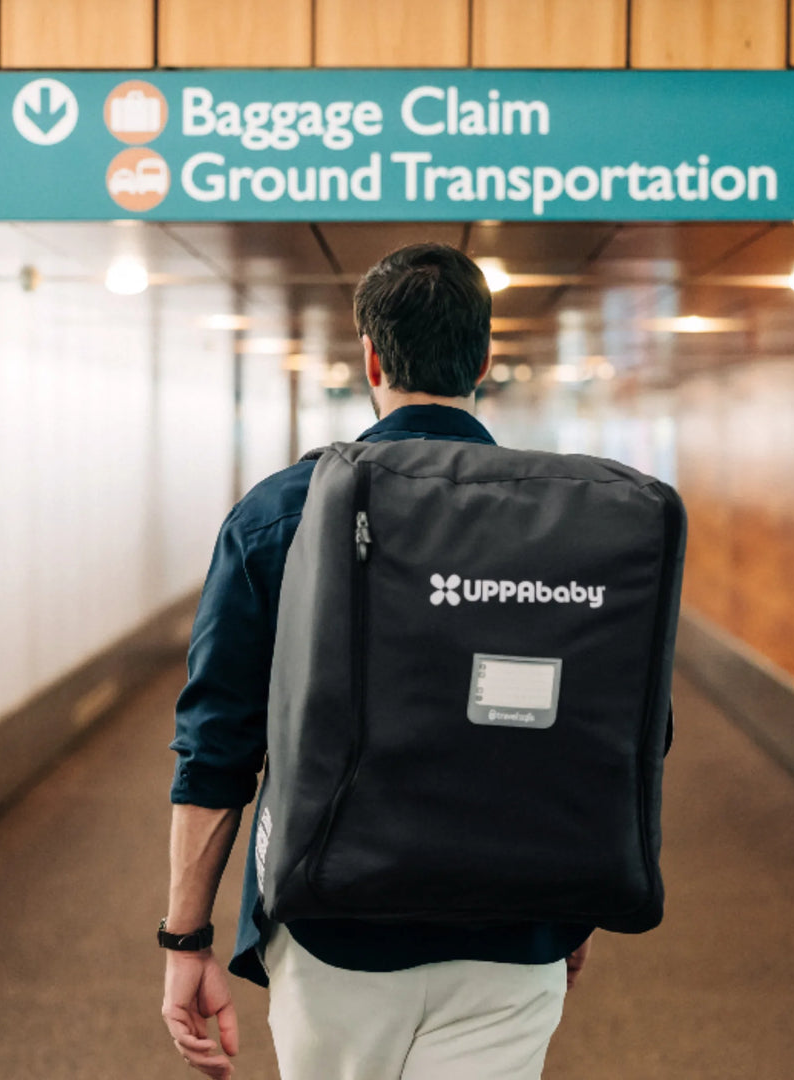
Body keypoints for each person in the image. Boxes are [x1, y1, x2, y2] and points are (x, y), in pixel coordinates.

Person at [161, 243, 594, 1080]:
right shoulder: (568, 519)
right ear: (483, 360)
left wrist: (186, 938)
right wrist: (574, 894)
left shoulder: (282, 515)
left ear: (370, 360)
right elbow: (601, 731)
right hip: (514, 922)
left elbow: (216, 749)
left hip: (333, 923)